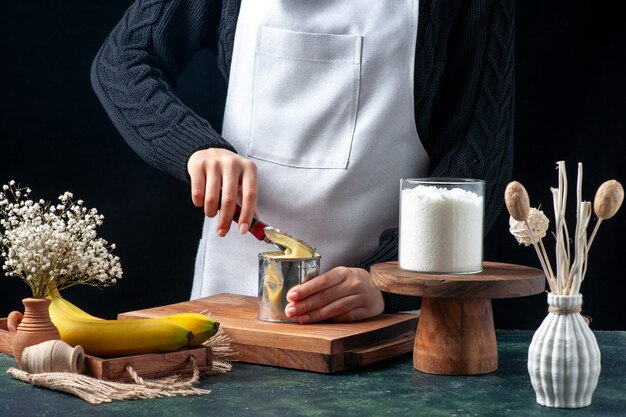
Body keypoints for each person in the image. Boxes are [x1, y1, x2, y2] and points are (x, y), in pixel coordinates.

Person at [91, 0, 514, 323]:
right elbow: (123, 59)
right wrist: (194, 146)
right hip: (230, 303)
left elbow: (477, 160)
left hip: (383, 316)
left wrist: (389, 281)